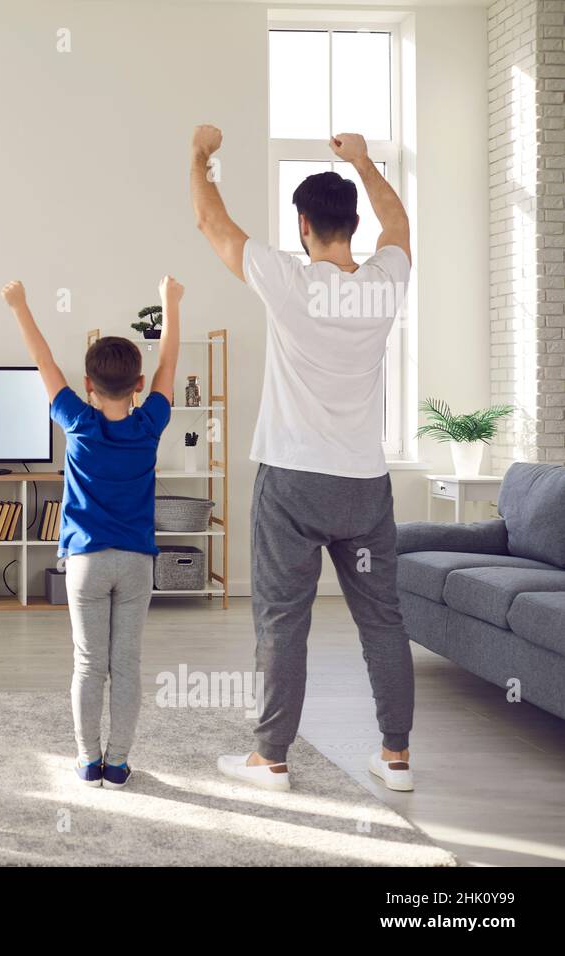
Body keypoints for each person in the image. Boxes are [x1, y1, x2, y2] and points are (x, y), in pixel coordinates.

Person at [190, 124, 416, 793]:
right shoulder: (385, 281)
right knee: (382, 617)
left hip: (292, 483)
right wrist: (366, 162)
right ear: (351, 224)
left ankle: (272, 757)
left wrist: (200, 155)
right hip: (363, 488)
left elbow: (209, 220)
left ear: (302, 225)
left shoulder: (285, 279)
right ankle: (396, 757)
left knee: (284, 617)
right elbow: (398, 221)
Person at [2, 277, 180, 788]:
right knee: (126, 665)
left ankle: (86, 760)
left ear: (88, 385)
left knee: (88, 665)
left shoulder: (77, 421)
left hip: (85, 563)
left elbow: (44, 363)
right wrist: (170, 304)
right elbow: (168, 364)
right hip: (137, 563)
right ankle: (118, 763)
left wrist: (20, 305)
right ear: (139, 385)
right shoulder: (150, 425)